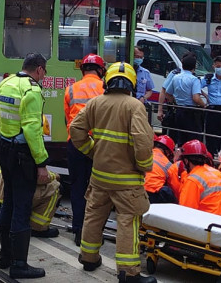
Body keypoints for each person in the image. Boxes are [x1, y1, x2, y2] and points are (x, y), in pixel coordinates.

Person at [69, 62, 156, 283]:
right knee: (127, 222)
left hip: (99, 176)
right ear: (132, 83)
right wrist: (144, 165)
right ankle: (128, 273)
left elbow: (75, 129)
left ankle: (88, 258)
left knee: (94, 216)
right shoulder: (135, 106)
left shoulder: (96, 103)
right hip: (127, 181)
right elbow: (143, 141)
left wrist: (92, 151)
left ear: (107, 81)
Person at [0, 53, 48, 279]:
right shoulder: (31, 90)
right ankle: (19, 263)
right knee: (22, 207)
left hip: (5, 149)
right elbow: (33, 130)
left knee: (9, 202)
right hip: (23, 155)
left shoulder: (6, 83)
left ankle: (5, 255)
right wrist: (41, 162)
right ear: (40, 70)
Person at [0, 135, 61, 239]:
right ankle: (37, 227)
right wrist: (54, 176)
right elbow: (37, 177)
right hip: (12, 192)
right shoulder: (28, 141)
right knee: (55, 187)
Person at [63, 53, 106, 247]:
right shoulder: (105, 89)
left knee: (78, 187)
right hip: (98, 144)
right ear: (100, 70)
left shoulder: (71, 89)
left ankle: (78, 228)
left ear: (83, 70)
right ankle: (93, 232)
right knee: (97, 190)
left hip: (76, 143)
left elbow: (68, 119)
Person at [158, 54, 205, 144]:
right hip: (191, 112)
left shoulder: (176, 77)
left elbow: (168, 93)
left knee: (180, 138)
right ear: (194, 66)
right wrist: (204, 105)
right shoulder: (194, 79)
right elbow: (196, 98)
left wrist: (174, 101)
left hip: (178, 110)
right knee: (192, 139)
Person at [177, 139, 221, 216]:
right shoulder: (213, 174)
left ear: (186, 160)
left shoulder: (193, 180)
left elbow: (185, 212)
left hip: (206, 222)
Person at [145, 134, 180, 204]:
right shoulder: (168, 165)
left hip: (137, 189)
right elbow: (175, 188)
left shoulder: (145, 154)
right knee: (168, 192)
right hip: (153, 195)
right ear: (167, 152)